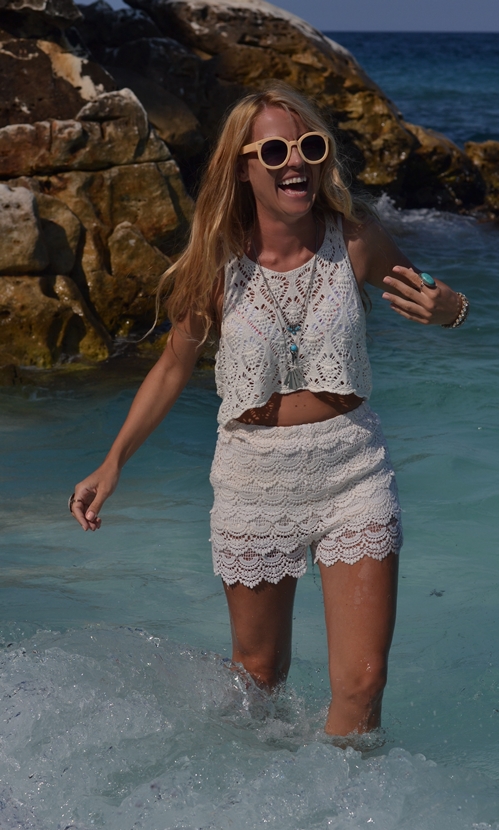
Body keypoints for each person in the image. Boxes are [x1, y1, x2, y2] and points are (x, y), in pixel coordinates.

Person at [69, 83, 468, 737]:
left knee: (364, 682)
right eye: (276, 150)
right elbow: (172, 367)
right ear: (243, 167)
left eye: (309, 145)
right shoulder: (214, 264)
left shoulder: (356, 240)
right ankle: (255, 794)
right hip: (254, 478)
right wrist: (112, 464)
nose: (296, 161)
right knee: (259, 674)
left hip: (353, 469)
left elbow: (430, 295)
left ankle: (345, 802)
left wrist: (452, 309)